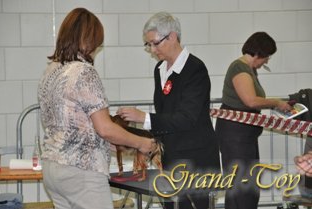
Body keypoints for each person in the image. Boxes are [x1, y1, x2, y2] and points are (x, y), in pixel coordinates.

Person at [37, 8, 155, 209]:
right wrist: (141, 142)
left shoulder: (51, 71)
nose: (96, 48)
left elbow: (73, 126)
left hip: (52, 169)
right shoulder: (84, 72)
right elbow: (105, 128)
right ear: (87, 40)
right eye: (96, 42)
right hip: (81, 173)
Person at [116, 12, 220, 209]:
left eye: (155, 43)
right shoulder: (160, 69)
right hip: (170, 157)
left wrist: (144, 117)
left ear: (172, 36)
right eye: (149, 45)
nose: (152, 50)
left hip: (196, 159)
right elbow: (164, 114)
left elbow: (186, 119)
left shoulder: (195, 69)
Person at [215, 31, 292, 209]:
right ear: (258, 53)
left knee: (247, 186)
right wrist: (276, 103)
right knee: (241, 186)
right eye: (267, 57)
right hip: (235, 136)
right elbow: (250, 100)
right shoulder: (238, 68)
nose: (266, 61)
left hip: (243, 136)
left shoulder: (249, 70)